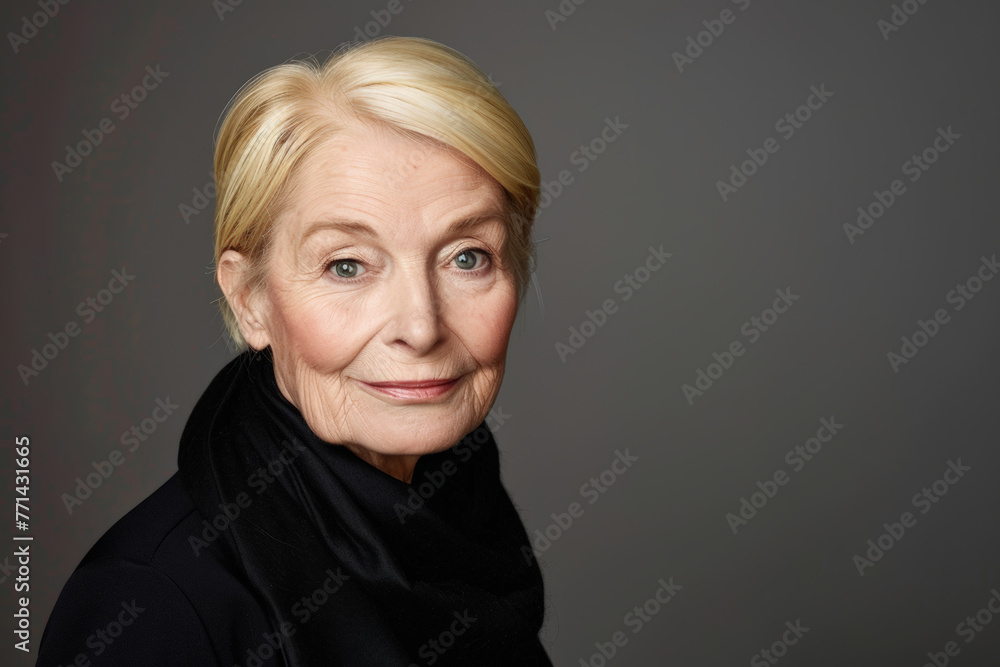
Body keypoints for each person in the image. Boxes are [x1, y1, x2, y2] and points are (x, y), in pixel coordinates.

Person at [38, 35, 551, 666]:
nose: (420, 327)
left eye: (467, 257)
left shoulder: (470, 521)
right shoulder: (150, 604)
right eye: (346, 266)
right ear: (250, 299)